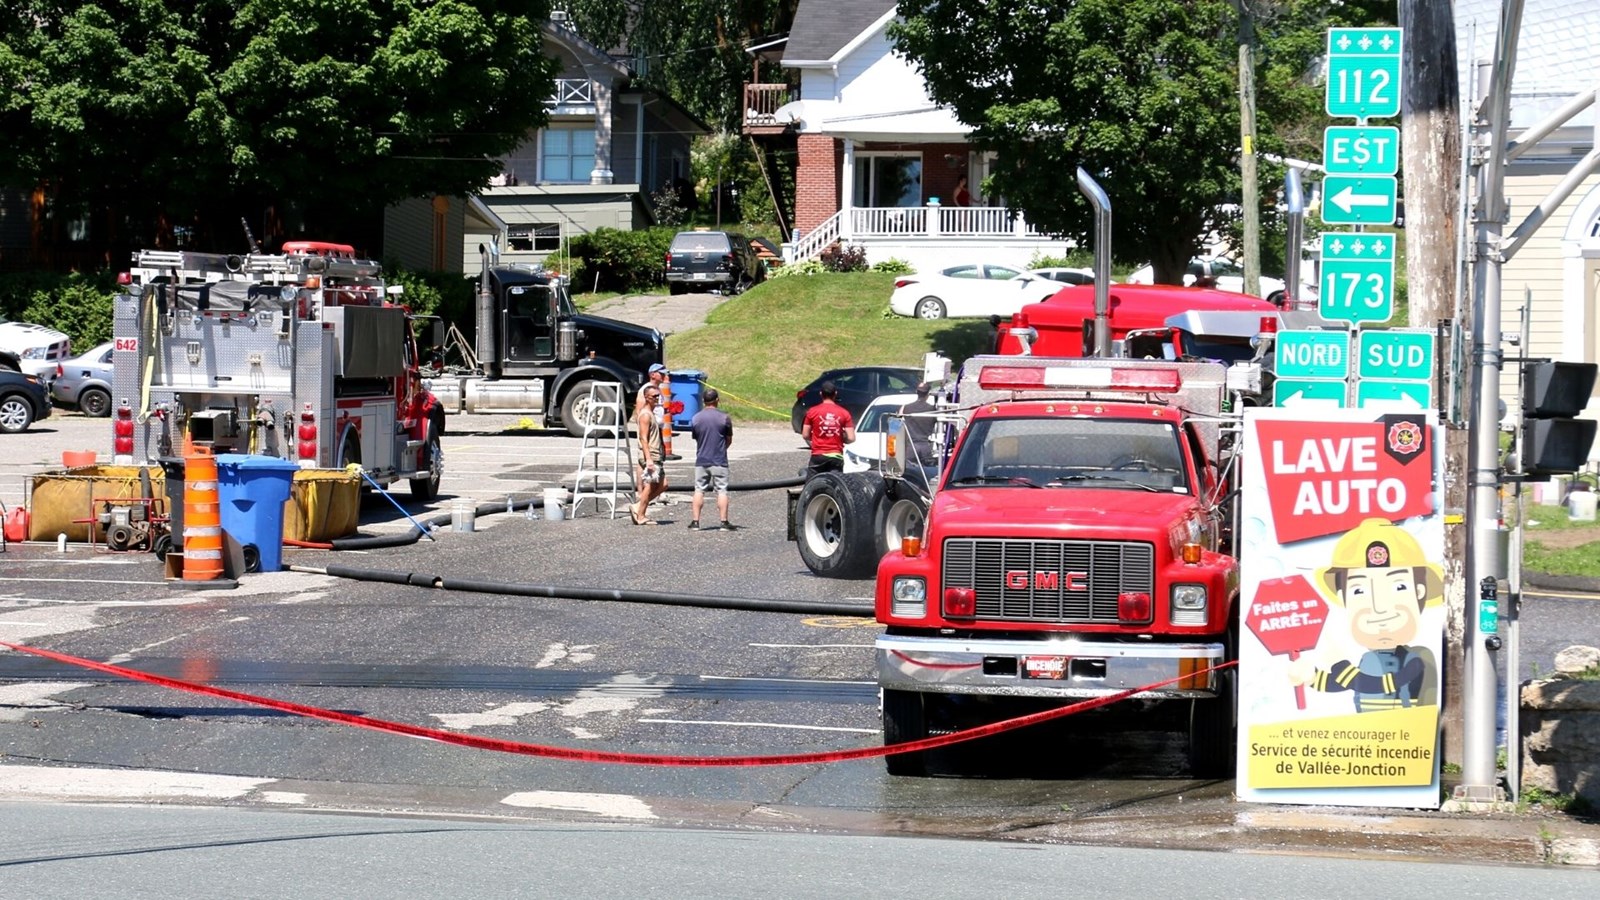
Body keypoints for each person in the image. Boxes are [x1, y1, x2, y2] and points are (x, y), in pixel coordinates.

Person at [1287, 518, 1445, 712]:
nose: (1379, 608)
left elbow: (1379, 684)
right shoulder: (1367, 659)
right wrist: (1310, 678)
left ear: (1419, 592)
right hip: (1367, 737)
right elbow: (1339, 685)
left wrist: (1339, 664)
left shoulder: (1417, 659)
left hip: (1402, 735)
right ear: (1343, 598)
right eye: (1359, 591)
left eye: (1399, 586)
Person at [688, 388, 734, 531]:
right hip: (719, 460)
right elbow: (729, 439)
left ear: (703, 401)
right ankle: (723, 522)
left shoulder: (696, 418)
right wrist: (722, 449)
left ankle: (695, 522)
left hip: (701, 459)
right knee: (722, 491)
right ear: (717, 400)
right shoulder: (724, 418)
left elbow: (696, 437)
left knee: (699, 490)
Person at [629, 384, 668, 525]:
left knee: (663, 484)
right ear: (646, 398)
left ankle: (638, 507)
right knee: (651, 485)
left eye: (658, 396)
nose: (657, 399)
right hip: (650, 454)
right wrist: (649, 459)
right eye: (654, 396)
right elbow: (643, 439)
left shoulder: (651, 413)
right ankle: (640, 515)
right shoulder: (645, 415)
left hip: (656, 453)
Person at [801, 381, 855, 478]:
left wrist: (817, 437)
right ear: (835, 394)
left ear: (821, 394)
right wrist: (841, 438)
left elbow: (805, 435)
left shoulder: (812, 412)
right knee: (835, 486)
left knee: (812, 485)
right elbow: (851, 438)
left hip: (818, 455)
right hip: (836, 456)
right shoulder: (844, 413)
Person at [898, 382, 939, 474]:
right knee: (927, 474)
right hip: (926, 447)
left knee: (909, 474)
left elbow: (898, 421)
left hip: (911, 447)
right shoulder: (932, 410)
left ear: (917, 392)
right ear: (928, 394)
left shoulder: (906, 408)